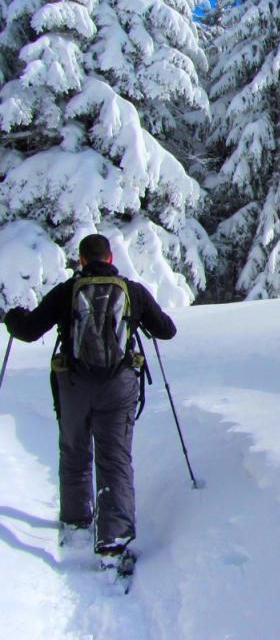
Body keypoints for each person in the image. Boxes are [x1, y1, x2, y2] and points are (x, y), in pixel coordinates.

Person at [4, 234, 176, 560]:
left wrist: (13, 317)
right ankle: (113, 542)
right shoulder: (132, 291)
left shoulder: (67, 292)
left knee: (74, 452)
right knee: (115, 459)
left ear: (81, 260)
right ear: (110, 258)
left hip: (73, 385)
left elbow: (27, 331)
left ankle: (76, 523)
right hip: (119, 386)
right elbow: (167, 330)